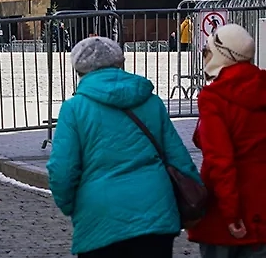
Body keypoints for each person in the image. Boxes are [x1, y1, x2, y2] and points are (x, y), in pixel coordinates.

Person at [47, 36, 200, 257]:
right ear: (120, 63)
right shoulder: (150, 101)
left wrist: (72, 205)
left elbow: (61, 170)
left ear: (79, 71)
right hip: (155, 213)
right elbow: (178, 157)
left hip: (100, 214)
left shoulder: (74, 109)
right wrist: (195, 198)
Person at [187, 24, 266, 257]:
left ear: (222, 54)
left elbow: (219, 161)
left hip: (228, 209)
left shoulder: (214, 98)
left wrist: (231, 213)